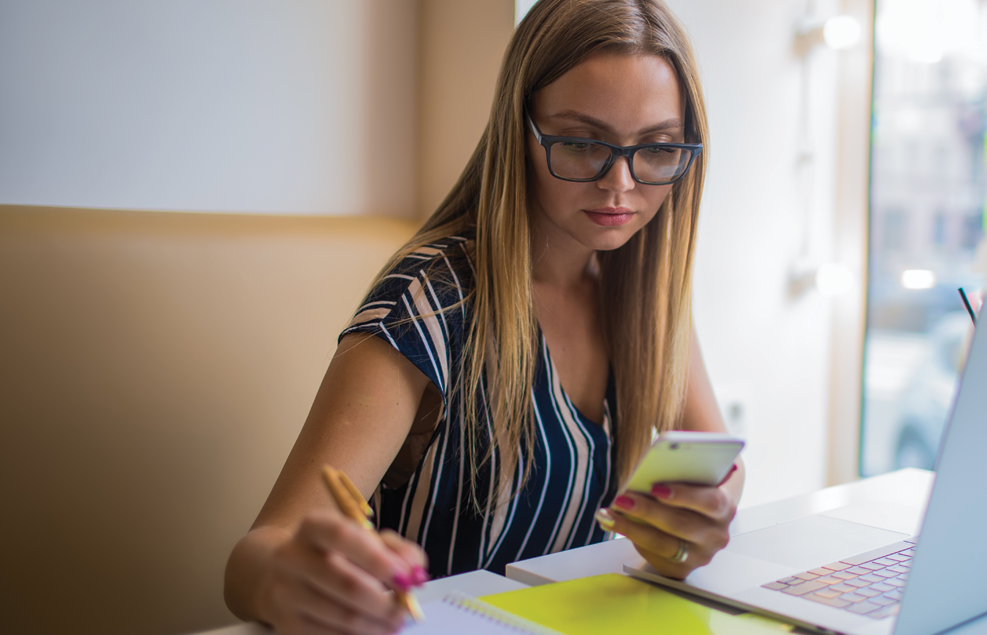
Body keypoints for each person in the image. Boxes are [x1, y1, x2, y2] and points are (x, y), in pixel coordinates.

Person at [224, 1, 743, 632]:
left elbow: (720, 465)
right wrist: (289, 578)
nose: (620, 185)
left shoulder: (641, 293)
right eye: (581, 143)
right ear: (517, 129)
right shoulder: (430, 302)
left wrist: (703, 518)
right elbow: (254, 557)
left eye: (658, 149)